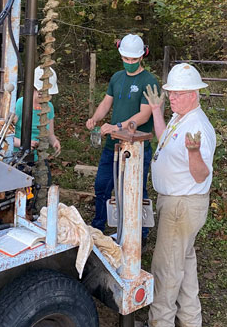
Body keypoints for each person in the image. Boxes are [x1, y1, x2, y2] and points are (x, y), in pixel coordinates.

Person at [144, 63, 216, 327]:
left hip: (182, 206)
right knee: (184, 265)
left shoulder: (198, 126)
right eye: (170, 92)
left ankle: (159, 322)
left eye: (176, 93)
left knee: (166, 270)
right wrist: (155, 111)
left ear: (193, 94)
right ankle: (190, 319)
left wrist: (195, 153)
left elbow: (200, 175)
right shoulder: (180, 117)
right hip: (177, 204)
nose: (170, 97)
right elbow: (164, 140)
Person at [86, 34, 159, 243]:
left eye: (133, 60)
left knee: (136, 190)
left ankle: (140, 234)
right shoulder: (117, 77)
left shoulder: (149, 81)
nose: (129, 63)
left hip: (136, 147)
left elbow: (145, 114)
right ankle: (98, 226)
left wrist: (117, 126)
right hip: (113, 145)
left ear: (142, 56)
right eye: (126, 59)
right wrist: (95, 118)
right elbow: (106, 103)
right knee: (102, 185)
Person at [14, 66, 61, 161]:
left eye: (49, 94)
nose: (45, 97)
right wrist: (22, 143)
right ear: (33, 89)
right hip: (17, 156)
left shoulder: (49, 107)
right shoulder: (21, 104)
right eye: (42, 93)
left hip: (39, 157)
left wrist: (54, 142)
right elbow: (6, 135)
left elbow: (50, 134)